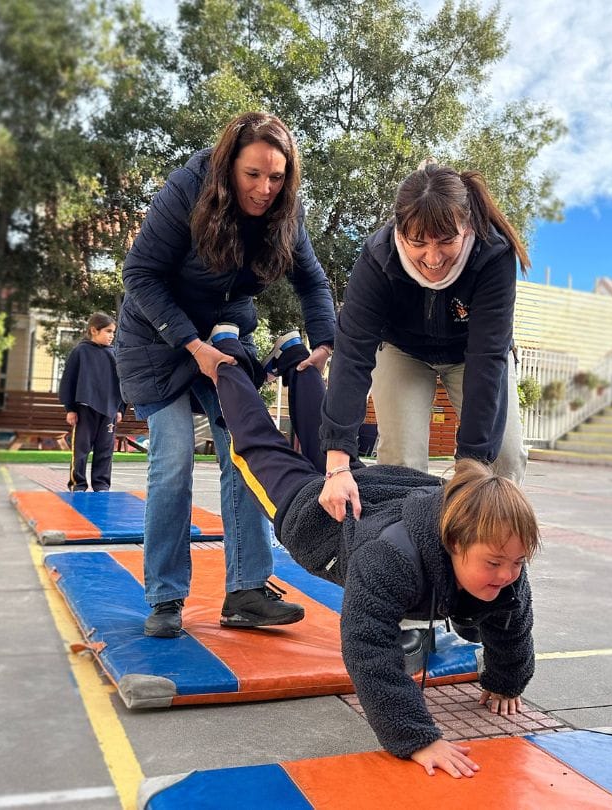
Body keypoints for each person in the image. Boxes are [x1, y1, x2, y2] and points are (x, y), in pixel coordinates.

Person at [208, 322, 538, 779]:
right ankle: (226, 358)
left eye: (517, 563)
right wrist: (416, 737)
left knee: (319, 434)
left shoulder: (500, 555)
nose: (506, 575)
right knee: (255, 442)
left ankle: (295, 357)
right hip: (311, 515)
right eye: (495, 563)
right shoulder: (391, 560)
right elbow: (368, 649)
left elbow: (514, 626)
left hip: (370, 491)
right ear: (453, 542)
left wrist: (505, 683)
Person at [115, 111, 336, 638]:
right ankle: (165, 597)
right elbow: (139, 274)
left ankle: (246, 591)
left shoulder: (285, 212)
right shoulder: (187, 190)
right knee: (173, 460)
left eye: (277, 177)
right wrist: (190, 345)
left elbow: (312, 282)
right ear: (228, 165)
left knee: (245, 449)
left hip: (222, 335)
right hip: (157, 338)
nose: (264, 188)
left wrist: (325, 340)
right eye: (252, 174)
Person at [318, 161, 531, 523]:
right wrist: (337, 462)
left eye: (447, 241)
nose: (433, 259)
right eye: (418, 243)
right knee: (401, 460)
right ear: (400, 233)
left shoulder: (493, 253)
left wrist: (472, 466)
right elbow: (352, 355)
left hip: (472, 354)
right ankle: (406, 543)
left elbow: (487, 358)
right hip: (402, 349)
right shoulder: (378, 256)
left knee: (501, 460)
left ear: (466, 227)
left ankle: (489, 542)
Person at [59, 312, 124, 492]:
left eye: (113, 332)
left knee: (105, 450)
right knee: (80, 450)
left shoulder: (114, 354)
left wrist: (120, 408)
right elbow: (68, 381)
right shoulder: (80, 352)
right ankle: (78, 484)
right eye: (108, 331)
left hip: (109, 411)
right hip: (84, 410)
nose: (112, 336)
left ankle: (101, 485)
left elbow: (121, 383)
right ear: (94, 330)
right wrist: (70, 409)